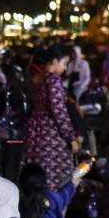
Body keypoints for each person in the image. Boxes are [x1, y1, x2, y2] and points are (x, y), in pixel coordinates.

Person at [23, 45, 80, 191]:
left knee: (38, 174)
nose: (65, 68)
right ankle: (53, 209)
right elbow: (58, 111)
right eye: (64, 63)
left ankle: (37, 207)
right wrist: (70, 137)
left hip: (35, 131)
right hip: (51, 134)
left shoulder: (36, 79)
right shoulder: (53, 80)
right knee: (56, 178)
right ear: (54, 62)